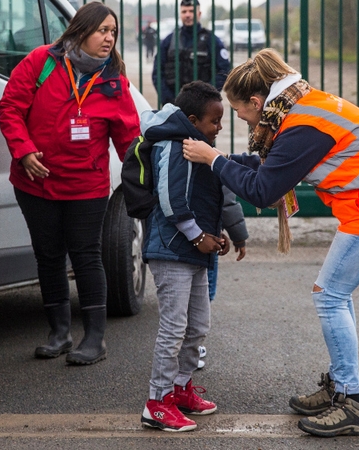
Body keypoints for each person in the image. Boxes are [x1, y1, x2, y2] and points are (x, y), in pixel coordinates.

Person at [182, 48, 359, 437]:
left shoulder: (301, 126)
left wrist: (214, 159)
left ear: (256, 102)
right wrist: (223, 159)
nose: (242, 121)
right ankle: (339, 385)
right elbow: (269, 166)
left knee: (329, 295)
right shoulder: (299, 107)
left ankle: (351, 402)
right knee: (335, 295)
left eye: (241, 113)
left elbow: (263, 190)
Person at [0, 2, 140, 365]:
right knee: (48, 255)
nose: (109, 38)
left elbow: (129, 139)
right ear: (80, 31)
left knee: (86, 255)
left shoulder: (113, 81)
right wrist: (24, 150)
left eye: (113, 32)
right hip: (35, 181)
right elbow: (10, 107)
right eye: (102, 31)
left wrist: (145, 178)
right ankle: (59, 333)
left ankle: (95, 339)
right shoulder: (41, 61)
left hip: (86, 186)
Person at [139, 81, 228, 432]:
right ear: (193, 120)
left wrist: (213, 235)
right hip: (172, 250)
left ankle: (180, 388)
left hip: (193, 251)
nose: (219, 128)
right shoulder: (174, 146)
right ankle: (157, 402)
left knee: (197, 326)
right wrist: (198, 236)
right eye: (214, 122)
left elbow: (205, 196)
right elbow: (171, 199)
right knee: (174, 328)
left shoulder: (199, 145)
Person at [197, 185, 247, 370]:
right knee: (201, 296)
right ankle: (192, 347)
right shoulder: (212, 159)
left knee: (184, 300)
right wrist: (239, 238)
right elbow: (227, 202)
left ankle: (190, 347)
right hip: (207, 237)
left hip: (183, 233)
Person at [152, 0, 230, 106]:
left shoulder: (211, 40)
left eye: (191, 11)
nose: (187, 15)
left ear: (199, 14)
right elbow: (157, 73)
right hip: (173, 104)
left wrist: (207, 97)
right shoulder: (169, 41)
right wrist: (168, 99)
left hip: (202, 106)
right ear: (180, 14)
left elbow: (224, 70)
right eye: (184, 12)